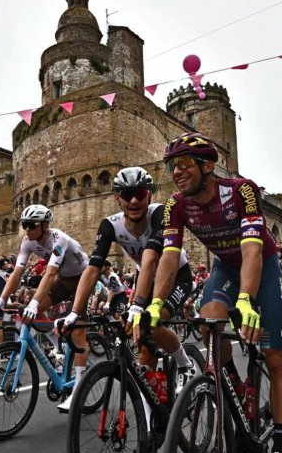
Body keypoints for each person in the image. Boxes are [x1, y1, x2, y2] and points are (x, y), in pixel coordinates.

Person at [149, 132, 282, 453]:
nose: (177, 171)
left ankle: (281, 452)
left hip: (262, 264)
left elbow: (252, 250)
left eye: (185, 163)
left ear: (208, 166)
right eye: (172, 165)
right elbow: (169, 257)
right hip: (225, 268)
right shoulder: (176, 204)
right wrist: (155, 304)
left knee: (276, 358)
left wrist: (245, 300)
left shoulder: (242, 191)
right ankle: (232, 382)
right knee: (208, 321)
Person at [61, 166, 195, 413]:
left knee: (152, 323)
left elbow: (151, 259)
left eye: (140, 194)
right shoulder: (110, 225)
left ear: (149, 195)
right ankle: (150, 416)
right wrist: (75, 312)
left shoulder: (160, 214)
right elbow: (93, 269)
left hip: (176, 277)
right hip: (147, 279)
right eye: (127, 194)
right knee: (143, 346)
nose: (134, 200)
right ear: (117, 198)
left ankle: (186, 364)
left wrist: (137, 305)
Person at [0, 204, 90, 393]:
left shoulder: (59, 239)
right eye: (24, 225)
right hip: (64, 279)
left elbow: (50, 273)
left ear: (45, 225)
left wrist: (34, 302)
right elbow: (17, 273)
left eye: (32, 225)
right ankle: (59, 347)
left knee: (78, 332)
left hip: (83, 278)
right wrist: (1, 301)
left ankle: (79, 389)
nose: (27, 229)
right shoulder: (27, 242)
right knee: (34, 312)